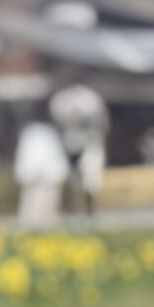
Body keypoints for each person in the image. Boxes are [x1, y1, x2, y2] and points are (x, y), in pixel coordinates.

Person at [49, 84, 109, 216]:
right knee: (72, 178)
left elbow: (101, 123)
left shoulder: (90, 98)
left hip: (89, 142)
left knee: (90, 177)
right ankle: (72, 209)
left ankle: (89, 210)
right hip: (69, 143)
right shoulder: (61, 99)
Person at [14, 119, 69, 227]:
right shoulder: (33, 135)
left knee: (47, 208)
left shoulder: (45, 135)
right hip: (35, 181)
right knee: (32, 209)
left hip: (47, 180)